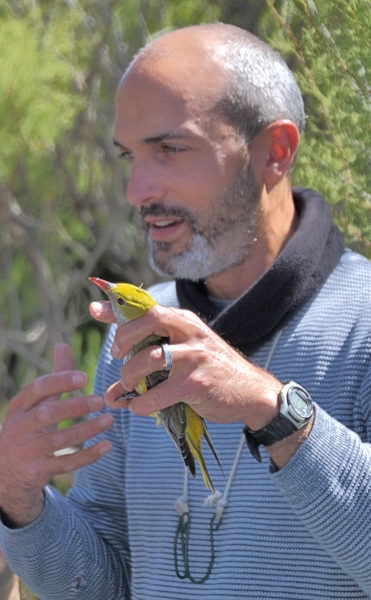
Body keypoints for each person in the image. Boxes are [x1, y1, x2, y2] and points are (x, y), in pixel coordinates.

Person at [0, 22, 370, 599]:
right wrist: (19, 498)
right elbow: (103, 587)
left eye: (170, 149)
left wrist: (271, 410)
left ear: (275, 152)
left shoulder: (364, 321)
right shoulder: (137, 336)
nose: (136, 189)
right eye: (129, 155)